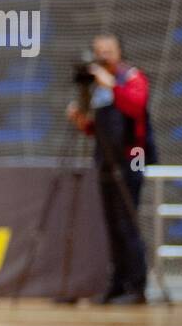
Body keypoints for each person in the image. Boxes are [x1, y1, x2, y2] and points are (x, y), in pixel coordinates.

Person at [66, 32, 154, 304]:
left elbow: (135, 107)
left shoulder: (132, 78)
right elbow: (99, 128)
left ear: (119, 52)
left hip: (131, 158)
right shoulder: (99, 88)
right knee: (113, 225)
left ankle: (136, 287)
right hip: (106, 159)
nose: (103, 55)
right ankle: (117, 285)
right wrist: (81, 120)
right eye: (98, 51)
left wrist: (113, 86)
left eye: (108, 50)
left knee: (128, 222)